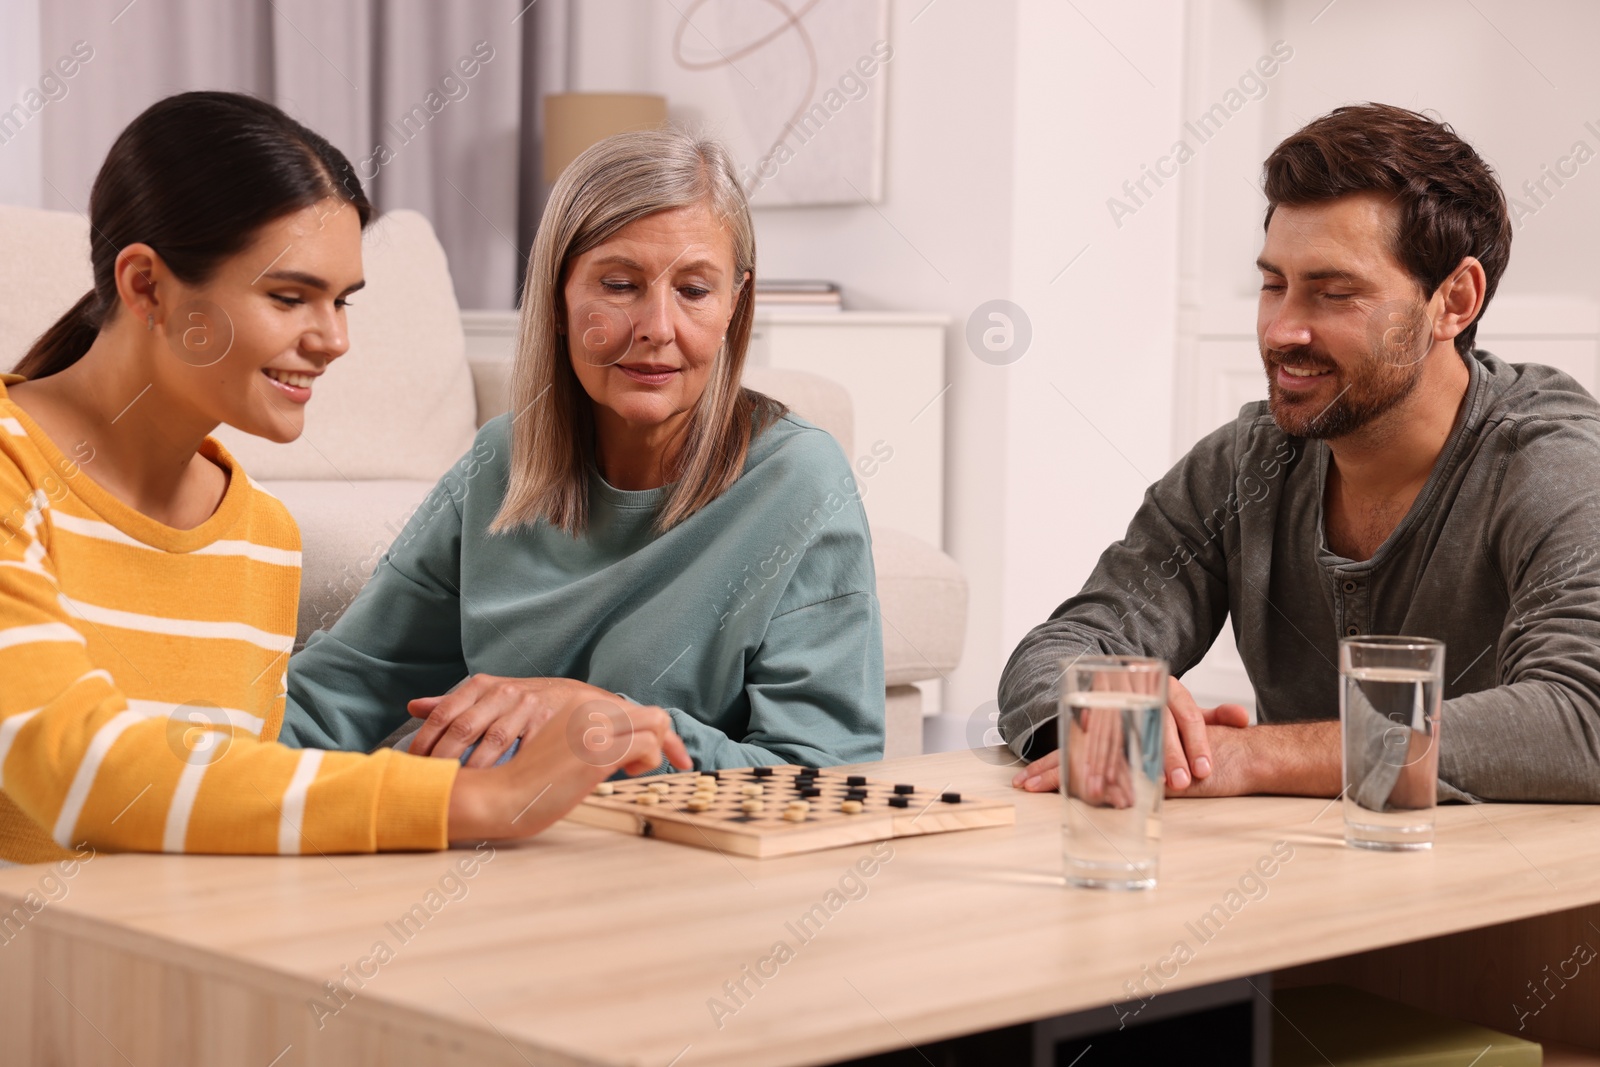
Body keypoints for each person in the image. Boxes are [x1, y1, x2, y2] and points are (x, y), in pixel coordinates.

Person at [0, 91, 686, 866]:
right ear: (147, 286)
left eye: (342, 301)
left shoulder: (260, 535)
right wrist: (482, 798)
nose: (333, 340)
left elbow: (237, 811)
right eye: (290, 297)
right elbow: (74, 770)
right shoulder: (11, 473)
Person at [1000, 103, 1600, 803]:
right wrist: (1097, 705)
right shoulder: (1242, 467)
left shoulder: (1557, 465)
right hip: (1311, 885)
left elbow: (1584, 720)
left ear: (1454, 300)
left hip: (1525, 897)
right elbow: (1066, 644)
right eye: (1274, 284)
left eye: (1334, 293)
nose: (1283, 329)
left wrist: (1257, 756)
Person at [277, 129, 885, 771]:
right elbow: (341, 691)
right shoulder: (501, 462)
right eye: (620, 285)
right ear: (559, 299)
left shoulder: (799, 483)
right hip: (497, 847)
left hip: (684, 861)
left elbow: (831, 772)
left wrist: (609, 724)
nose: (656, 327)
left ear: (736, 303)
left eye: (695, 290)